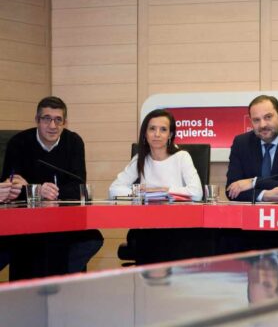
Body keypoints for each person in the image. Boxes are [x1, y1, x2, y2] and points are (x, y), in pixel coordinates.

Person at [0, 96, 103, 280]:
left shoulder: (73, 142)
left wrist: (39, 190)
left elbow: (79, 189)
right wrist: (38, 190)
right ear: (37, 120)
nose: (53, 125)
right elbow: (9, 187)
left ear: (65, 122)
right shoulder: (19, 142)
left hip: (62, 220)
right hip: (25, 221)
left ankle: (61, 286)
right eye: (46, 118)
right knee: (31, 243)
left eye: (58, 120)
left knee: (92, 238)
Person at [109, 109, 202, 200]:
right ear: (145, 133)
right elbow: (113, 189)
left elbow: (197, 193)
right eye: (152, 129)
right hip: (146, 213)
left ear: (170, 134)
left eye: (163, 129)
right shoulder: (140, 158)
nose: (157, 134)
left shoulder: (182, 157)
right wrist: (139, 193)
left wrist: (163, 190)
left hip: (176, 213)